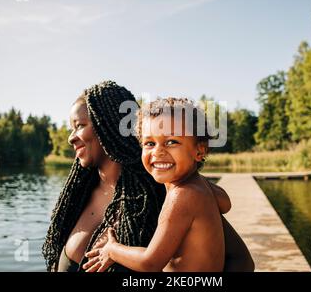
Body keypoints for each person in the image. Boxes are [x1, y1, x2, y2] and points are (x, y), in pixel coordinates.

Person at [42, 81, 255, 272]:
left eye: (79, 126)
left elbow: (241, 261)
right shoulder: (76, 196)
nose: (71, 138)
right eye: (150, 142)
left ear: (107, 126)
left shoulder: (164, 192)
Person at [81, 98, 237, 272]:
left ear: (199, 151)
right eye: (149, 143)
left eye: (171, 142)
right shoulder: (200, 186)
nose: (158, 151)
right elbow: (226, 203)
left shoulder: (182, 195)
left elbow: (150, 263)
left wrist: (112, 250)